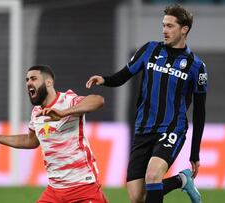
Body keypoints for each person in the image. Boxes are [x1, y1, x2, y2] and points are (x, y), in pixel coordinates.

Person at [86, 4, 207, 203]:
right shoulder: (150, 50)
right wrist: (105, 80)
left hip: (171, 128)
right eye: (163, 25)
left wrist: (195, 152)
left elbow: (200, 111)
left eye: (170, 26)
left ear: (184, 29)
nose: (164, 30)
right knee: (137, 196)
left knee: (153, 176)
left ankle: (180, 179)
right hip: (143, 127)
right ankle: (181, 180)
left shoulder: (196, 66)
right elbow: (124, 75)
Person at [0, 65, 109, 203]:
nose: (29, 83)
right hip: (54, 190)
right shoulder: (36, 112)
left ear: (48, 82)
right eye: (27, 80)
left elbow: (98, 100)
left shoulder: (68, 100)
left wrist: (64, 113)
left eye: (33, 78)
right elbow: (31, 141)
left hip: (82, 187)